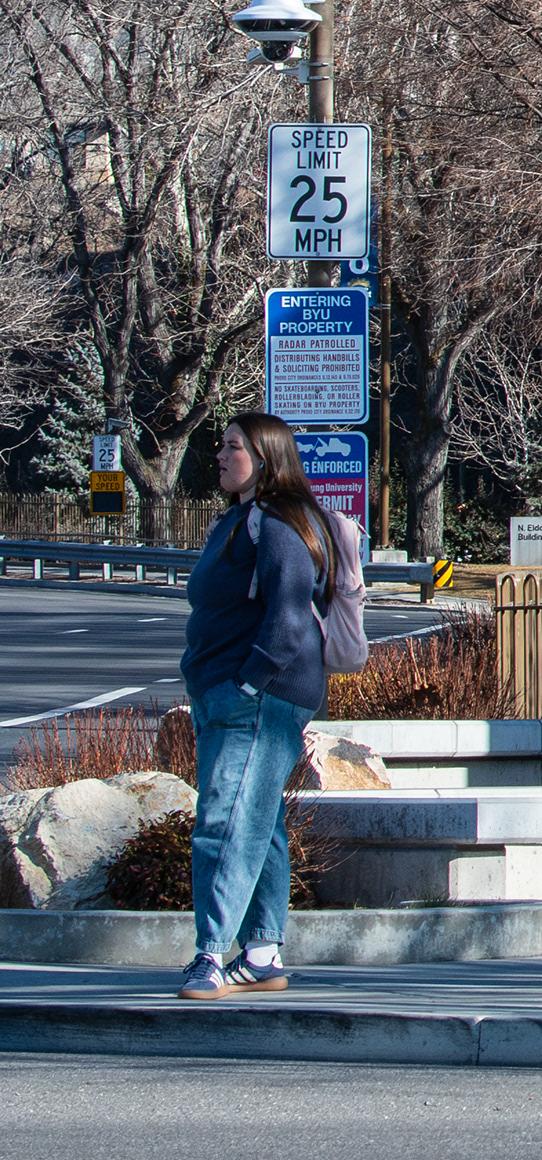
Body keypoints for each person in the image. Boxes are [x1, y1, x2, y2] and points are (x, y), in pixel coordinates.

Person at [179, 413, 334, 999]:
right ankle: (262, 954)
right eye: (221, 445)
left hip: (256, 701)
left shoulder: (276, 526)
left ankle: (210, 956)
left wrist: (248, 684)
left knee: (223, 824)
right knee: (261, 823)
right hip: (226, 694)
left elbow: (289, 618)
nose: (220, 454)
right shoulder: (237, 520)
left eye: (233, 446)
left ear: (265, 458)